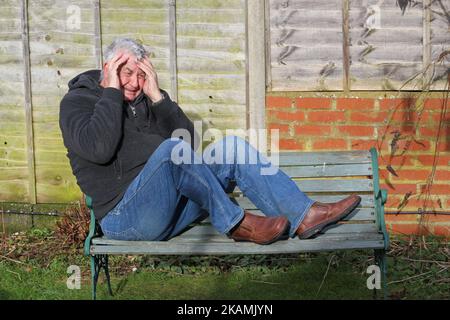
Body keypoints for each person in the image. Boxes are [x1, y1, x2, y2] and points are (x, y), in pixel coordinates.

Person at [59, 38, 361, 245]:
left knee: (230, 148)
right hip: (125, 218)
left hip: (170, 211)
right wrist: (112, 92)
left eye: (141, 75)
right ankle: (237, 224)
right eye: (127, 73)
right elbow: (99, 148)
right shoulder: (77, 102)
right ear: (108, 66)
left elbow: (188, 147)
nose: (135, 83)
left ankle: (303, 215)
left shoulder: (144, 100)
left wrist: (158, 98)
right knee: (169, 150)